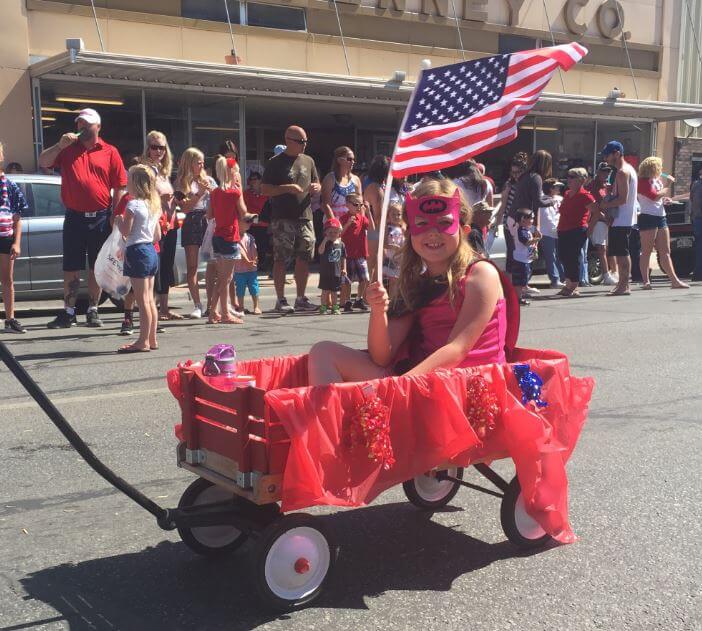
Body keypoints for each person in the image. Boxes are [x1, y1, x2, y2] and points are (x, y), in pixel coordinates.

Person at [307, 178, 506, 385]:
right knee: (324, 352)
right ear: (410, 234)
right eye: (421, 224)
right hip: (423, 380)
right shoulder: (415, 283)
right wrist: (378, 310)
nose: (432, 232)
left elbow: (457, 349)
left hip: (471, 387)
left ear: (463, 230)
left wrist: (399, 387)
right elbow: (381, 357)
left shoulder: (481, 274)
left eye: (444, 223)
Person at [38, 108, 127, 328]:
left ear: (97, 126)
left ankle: (93, 310)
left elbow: (120, 187)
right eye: (79, 124)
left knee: (96, 266)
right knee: (71, 266)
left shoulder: (109, 151)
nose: (81, 127)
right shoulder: (68, 149)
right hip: (74, 217)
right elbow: (43, 161)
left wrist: (116, 216)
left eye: (86, 124)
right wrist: (59, 145)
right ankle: (68, 312)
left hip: (100, 217)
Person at [261, 125, 321, 313]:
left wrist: (316, 187)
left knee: (304, 257)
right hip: (283, 217)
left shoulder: (308, 160)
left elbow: (316, 181)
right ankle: (281, 299)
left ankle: (301, 298)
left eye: (306, 142)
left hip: (305, 215)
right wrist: (286, 188)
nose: (304, 145)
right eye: (301, 142)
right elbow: (265, 189)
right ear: (289, 140)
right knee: (281, 258)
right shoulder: (275, 163)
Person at [114, 165, 161, 353]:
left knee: (141, 301)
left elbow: (125, 231)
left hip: (137, 250)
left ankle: (142, 341)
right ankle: (152, 338)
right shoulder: (153, 205)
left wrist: (119, 222)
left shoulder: (133, 205)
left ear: (136, 183)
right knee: (149, 299)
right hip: (150, 250)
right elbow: (157, 235)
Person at [136, 131, 181, 322]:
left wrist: (176, 198)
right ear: (147, 148)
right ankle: (152, 309)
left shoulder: (163, 171)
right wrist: (159, 198)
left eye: (162, 147)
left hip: (169, 224)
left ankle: (164, 307)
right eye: (154, 147)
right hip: (155, 226)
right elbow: (140, 194)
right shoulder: (144, 169)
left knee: (167, 266)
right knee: (156, 266)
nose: (158, 151)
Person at [175, 147, 216, 318]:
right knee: (192, 267)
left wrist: (211, 192)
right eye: (198, 162)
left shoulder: (209, 180)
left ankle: (212, 304)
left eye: (203, 162)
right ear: (189, 163)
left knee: (212, 264)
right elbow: (184, 206)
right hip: (191, 220)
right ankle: (197, 304)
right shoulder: (181, 182)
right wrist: (199, 193)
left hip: (208, 220)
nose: (202, 165)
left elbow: (219, 200)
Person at [636, 157, 689, 290]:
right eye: (659, 167)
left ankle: (674, 280)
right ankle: (646, 281)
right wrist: (667, 185)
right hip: (647, 216)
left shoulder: (656, 180)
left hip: (660, 216)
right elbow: (653, 196)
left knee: (665, 251)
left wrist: (664, 198)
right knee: (646, 251)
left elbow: (658, 197)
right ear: (653, 168)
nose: (661, 169)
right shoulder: (642, 181)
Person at [207, 156, 247, 324]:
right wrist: (240, 191)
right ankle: (221, 313)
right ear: (231, 172)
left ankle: (216, 312)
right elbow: (244, 212)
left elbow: (210, 215)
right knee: (225, 279)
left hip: (217, 236)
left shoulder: (215, 192)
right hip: (230, 236)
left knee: (222, 278)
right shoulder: (234, 192)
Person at [597, 141, 639, 296]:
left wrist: (604, 204)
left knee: (622, 253)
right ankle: (622, 284)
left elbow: (623, 199)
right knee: (621, 252)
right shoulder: (626, 171)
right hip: (622, 219)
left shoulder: (622, 172)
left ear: (616, 153)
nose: (605, 158)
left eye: (607, 155)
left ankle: (624, 285)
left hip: (622, 219)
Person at [0, 142, 29, 333]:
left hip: (5, 236)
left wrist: (17, 242)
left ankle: (10, 318)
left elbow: (17, 217)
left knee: (7, 279)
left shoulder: (10, 185)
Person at [556, 168, 594, 298]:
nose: (569, 179)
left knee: (573, 257)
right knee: (563, 256)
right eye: (568, 176)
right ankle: (568, 284)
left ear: (581, 180)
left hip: (577, 229)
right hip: (563, 229)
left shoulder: (585, 196)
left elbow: (596, 212)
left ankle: (574, 286)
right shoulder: (567, 194)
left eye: (572, 177)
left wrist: (590, 228)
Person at [493, 152, 527, 269]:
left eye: (517, 172)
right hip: (510, 222)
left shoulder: (527, 183)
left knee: (523, 254)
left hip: (524, 222)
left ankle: (520, 282)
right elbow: (503, 204)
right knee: (512, 253)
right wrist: (498, 223)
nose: (515, 175)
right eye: (513, 172)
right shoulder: (509, 184)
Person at [340, 192, 373, 312]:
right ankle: (348, 301)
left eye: (360, 205)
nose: (359, 207)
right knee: (348, 280)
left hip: (360, 253)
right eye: (356, 204)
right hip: (348, 254)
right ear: (348, 205)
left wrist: (368, 212)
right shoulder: (344, 218)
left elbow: (372, 229)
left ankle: (358, 299)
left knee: (365, 279)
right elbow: (340, 234)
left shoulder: (362, 218)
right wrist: (348, 224)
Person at [586, 162, 617, 286]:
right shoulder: (593, 186)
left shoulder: (607, 186)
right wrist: (605, 218)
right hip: (598, 220)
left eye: (608, 171)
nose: (606, 173)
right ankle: (606, 275)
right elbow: (594, 207)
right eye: (604, 171)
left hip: (607, 221)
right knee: (601, 248)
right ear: (598, 172)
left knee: (609, 249)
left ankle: (613, 272)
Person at [321, 146, 362, 221]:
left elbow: (360, 204)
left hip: (351, 224)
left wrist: (360, 222)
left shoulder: (356, 180)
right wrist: (334, 225)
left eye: (353, 159)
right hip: (333, 226)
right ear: (339, 160)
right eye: (349, 159)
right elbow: (326, 205)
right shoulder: (330, 178)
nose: (352, 162)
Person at [538, 179, 565, 288]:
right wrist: (555, 228)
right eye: (556, 187)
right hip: (547, 232)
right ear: (550, 189)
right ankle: (555, 280)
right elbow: (547, 217)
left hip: (560, 230)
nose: (558, 189)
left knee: (561, 255)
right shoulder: (543, 201)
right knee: (551, 256)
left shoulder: (560, 199)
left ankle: (563, 277)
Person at [317, 217, 346, 315]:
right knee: (325, 291)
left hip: (336, 272)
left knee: (334, 292)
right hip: (325, 272)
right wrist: (325, 240)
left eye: (335, 232)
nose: (333, 234)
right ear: (326, 233)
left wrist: (344, 268)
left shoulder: (341, 244)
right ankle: (323, 307)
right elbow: (320, 251)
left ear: (339, 233)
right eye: (330, 232)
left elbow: (343, 257)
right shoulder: (325, 244)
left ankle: (335, 307)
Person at [510, 209, 540, 305]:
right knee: (519, 281)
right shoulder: (520, 230)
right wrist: (537, 239)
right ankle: (518, 298)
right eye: (530, 219)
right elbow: (526, 242)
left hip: (524, 258)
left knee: (523, 280)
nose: (532, 221)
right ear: (523, 219)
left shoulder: (525, 230)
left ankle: (519, 297)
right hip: (520, 259)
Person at [243, 170, 270, 272]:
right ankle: (252, 264)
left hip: (264, 224)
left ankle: (262, 264)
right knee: (251, 246)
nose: (253, 181)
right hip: (251, 225)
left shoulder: (266, 193)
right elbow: (243, 209)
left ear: (261, 180)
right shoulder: (246, 194)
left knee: (263, 246)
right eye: (251, 179)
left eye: (256, 179)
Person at [234, 215, 261, 314]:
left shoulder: (250, 237)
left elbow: (254, 249)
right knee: (240, 289)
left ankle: (256, 306)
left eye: (250, 221)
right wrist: (247, 261)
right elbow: (239, 250)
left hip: (251, 269)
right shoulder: (235, 237)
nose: (250, 223)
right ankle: (241, 307)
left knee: (254, 287)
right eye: (247, 221)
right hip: (239, 269)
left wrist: (254, 260)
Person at [382, 203, 405, 297]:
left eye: (398, 214)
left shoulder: (403, 228)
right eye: (393, 214)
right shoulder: (388, 228)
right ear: (388, 216)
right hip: (391, 256)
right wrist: (392, 246)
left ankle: (399, 299)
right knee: (393, 281)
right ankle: (392, 301)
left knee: (401, 280)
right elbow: (384, 244)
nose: (396, 216)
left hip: (401, 256)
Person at [691, 173, 702, 282]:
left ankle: (698, 273)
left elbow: (692, 199)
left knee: (699, 248)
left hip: (697, 219)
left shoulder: (695, 184)